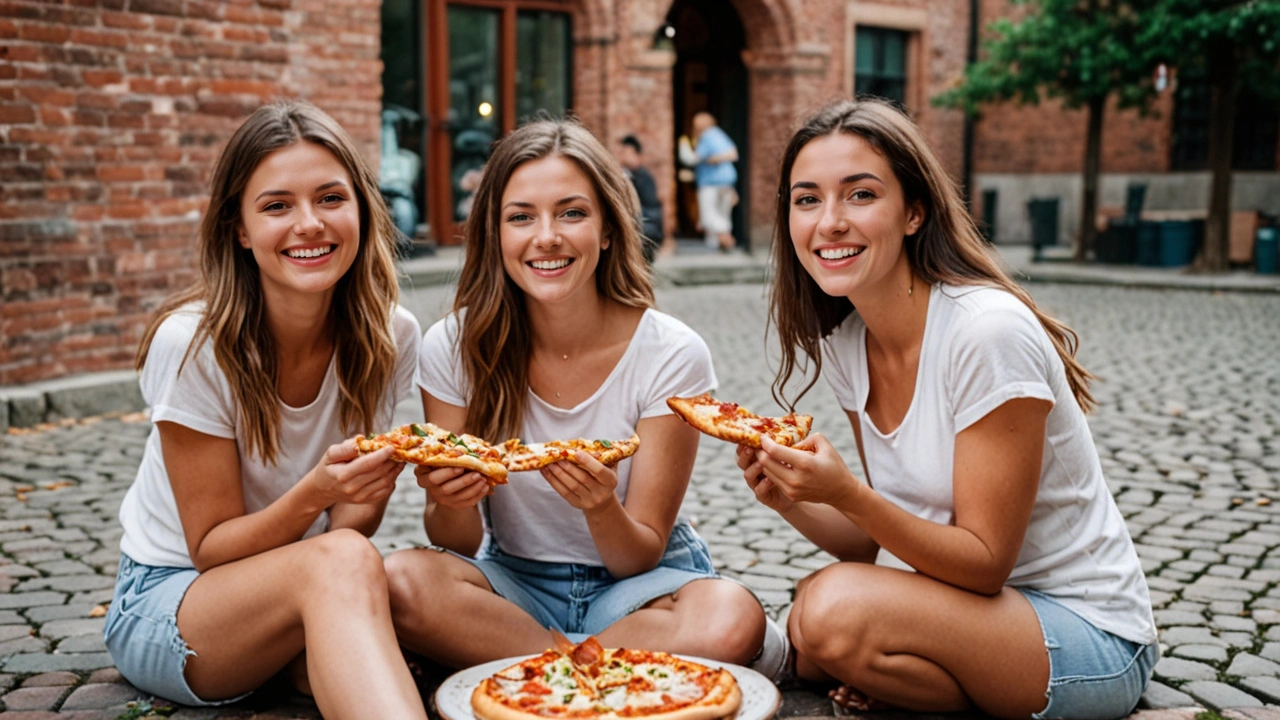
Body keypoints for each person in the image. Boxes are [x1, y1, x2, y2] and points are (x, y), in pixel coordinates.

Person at [737, 98, 1158, 718]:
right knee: (817, 624)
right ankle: (905, 680)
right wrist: (796, 498)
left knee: (828, 614)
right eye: (807, 199)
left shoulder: (986, 334)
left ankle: (905, 681)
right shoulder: (850, 343)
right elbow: (891, 541)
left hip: (1084, 635)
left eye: (859, 195)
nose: (829, 222)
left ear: (914, 212)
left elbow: (985, 564)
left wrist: (849, 493)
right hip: (970, 611)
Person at [383, 118, 785, 678]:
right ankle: (594, 671)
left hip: (641, 587)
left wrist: (599, 506)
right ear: (495, 233)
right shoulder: (452, 344)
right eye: (521, 217)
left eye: (571, 213)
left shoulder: (671, 352)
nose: (546, 237)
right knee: (401, 582)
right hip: (514, 582)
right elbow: (455, 539)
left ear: (608, 230)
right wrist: (450, 499)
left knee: (729, 616)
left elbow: (639, 552)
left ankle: (531, 667)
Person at [104, 101, 429, 720]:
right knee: (346, 567)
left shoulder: (391, 334)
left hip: (297, 580)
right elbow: (210, 548)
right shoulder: (192, 344)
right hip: (171, 597)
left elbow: (348, 528)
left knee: (358, 570)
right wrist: (318, 493)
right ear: (240, 228)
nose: (309, 224)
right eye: (277, 206)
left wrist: (367, 487)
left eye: (331, 198)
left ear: (362, 207)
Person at [678, 112, 737, 252]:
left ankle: (727, 239)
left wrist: (683, 147)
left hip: (710, 182)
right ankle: (720, 244)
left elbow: (692, 159)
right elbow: (733, 153)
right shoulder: (719, 134)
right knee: (723, 214)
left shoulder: (707, 136)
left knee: (708, 217)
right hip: (727, 181)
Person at [618, 134, 664, 263]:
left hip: (646, 223)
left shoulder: (645, 178)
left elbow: (652, 210)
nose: (623, 157)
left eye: (627, 153)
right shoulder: (625, 175)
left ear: (637, 155)